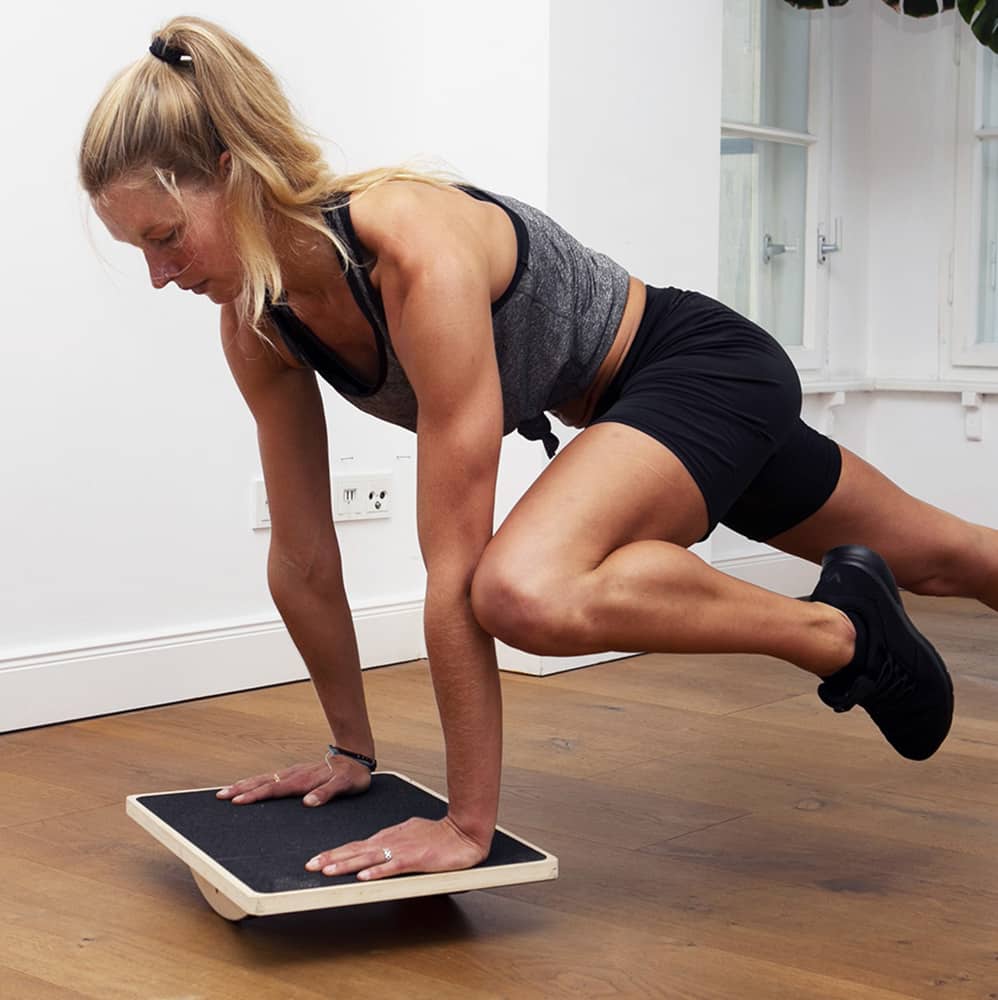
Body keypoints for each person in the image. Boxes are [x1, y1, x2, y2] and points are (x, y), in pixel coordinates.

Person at [80, 17, 985, 883]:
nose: (163, 275)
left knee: (520, 587)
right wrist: (350, 750)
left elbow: (454, 566)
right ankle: (862, 612)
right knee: (947, 558)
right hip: (633, 417)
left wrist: (466, 824)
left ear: (234, 175)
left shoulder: (408, 244)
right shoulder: (260, 328)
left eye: (166, 238)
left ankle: (841, 630)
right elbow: (304, 557)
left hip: (697, 367)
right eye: (142, 253)